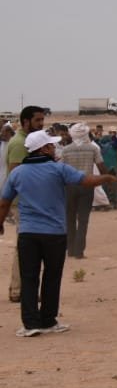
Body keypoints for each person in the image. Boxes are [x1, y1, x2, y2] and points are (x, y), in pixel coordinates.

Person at [0, 129, 116, 336]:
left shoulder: (17, 173)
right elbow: (85, 181)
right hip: (54, 233)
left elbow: (4, 201)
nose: (54, 148)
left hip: (28, 233)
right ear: (43, 149)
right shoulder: (58, 169)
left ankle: (30, 324)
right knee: (52, 277)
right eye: (51, 145)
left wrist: (0, 222)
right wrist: (105, 178)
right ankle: (48, 320)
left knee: (29, 278)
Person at [6, 106, 47, 302]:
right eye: (37, 120)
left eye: (42, 120)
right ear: (25, 121)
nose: (41, 124)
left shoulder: (29, 142)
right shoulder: (19, 143)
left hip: (29, 202)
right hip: (22, 202)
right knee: (24, 246)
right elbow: (15, 175)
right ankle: (18, 290)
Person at [59, 123, 104, 258]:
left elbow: (61, 169)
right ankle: (79, 251)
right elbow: (101, 166)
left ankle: (71, 249)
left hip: (70, 186)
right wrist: (107, 178)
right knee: (83, 220)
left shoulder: (66, 150)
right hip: (86, 185)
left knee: (70, 218)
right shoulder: (92, 148)